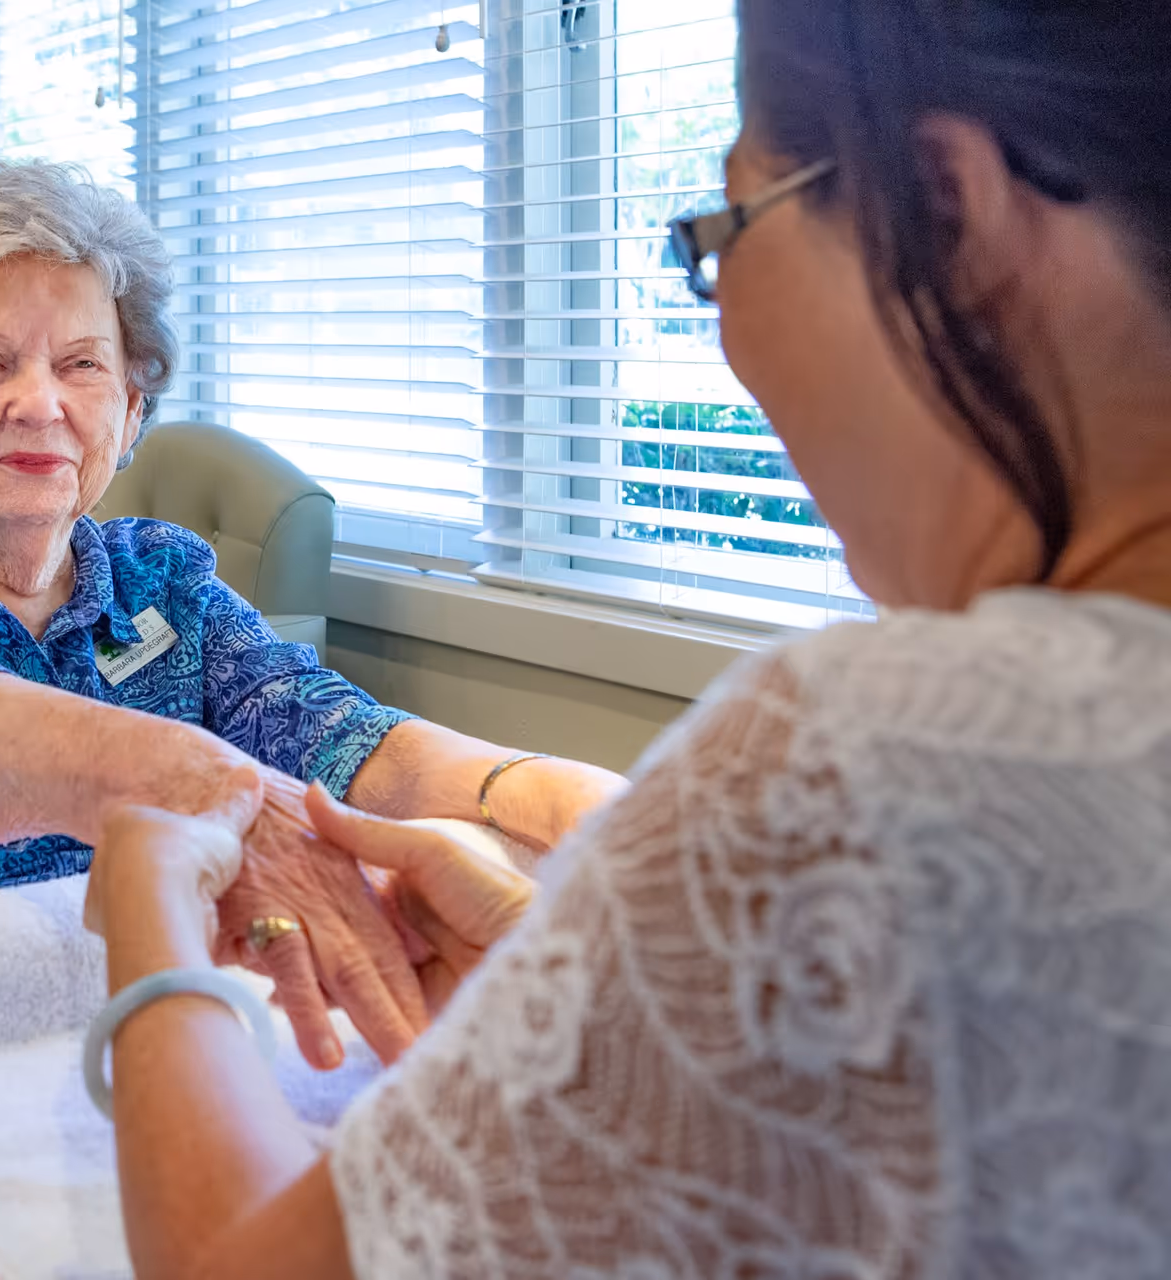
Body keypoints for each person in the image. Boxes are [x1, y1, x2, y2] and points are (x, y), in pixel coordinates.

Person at [80, 0, 1171, 1274]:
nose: (39, 402)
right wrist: (599, 975)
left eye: (720, 233)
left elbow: (313, 716)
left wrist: (152, 902)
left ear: (944, 203)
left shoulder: (873, 765)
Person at [0, 159, 628, 1071]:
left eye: (82, 365)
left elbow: (334, 734)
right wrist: (207, 790)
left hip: (100, 1063)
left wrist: (539, 787)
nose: (40, 402)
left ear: (132, 410)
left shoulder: (159, 586)